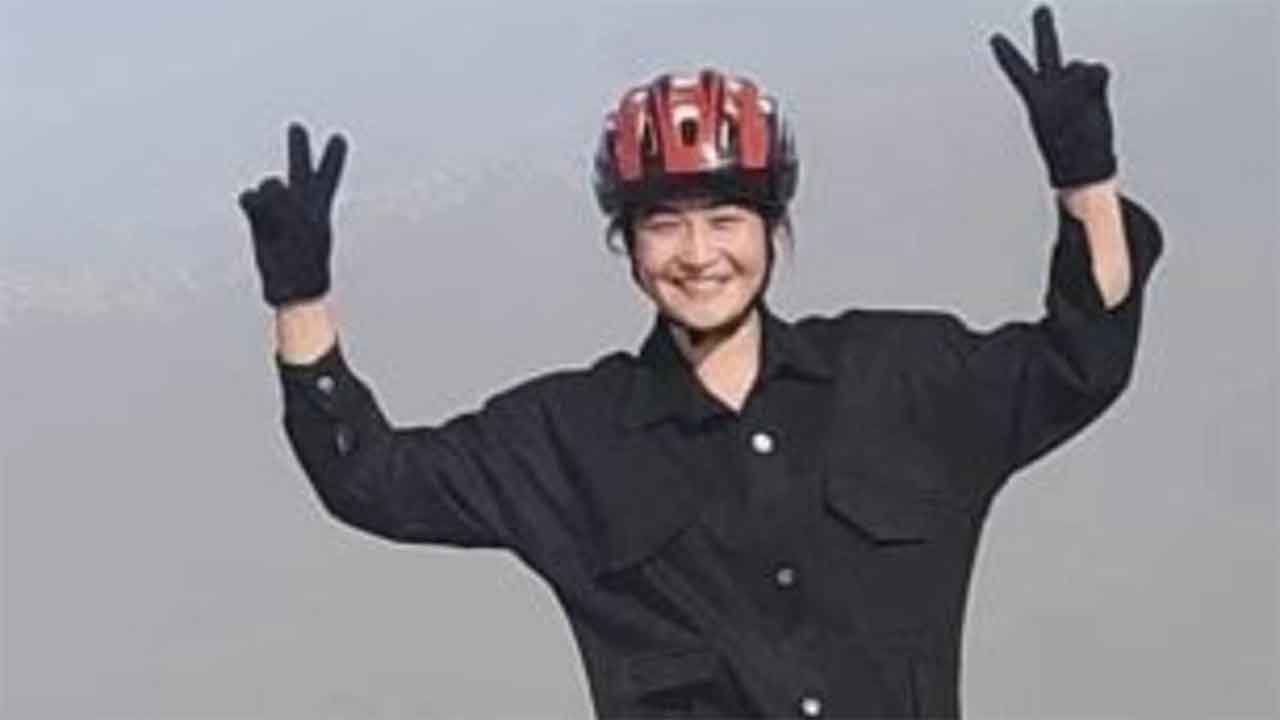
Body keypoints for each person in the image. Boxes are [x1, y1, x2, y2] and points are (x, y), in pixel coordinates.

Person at [237, 5, 1163, 718]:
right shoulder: (568, 437)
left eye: (725, 219)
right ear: (627, 245)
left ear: (773, 230)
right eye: (663, 225)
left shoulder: (899, 378)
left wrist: (1085, 180)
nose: (697, 254)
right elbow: (371, 481)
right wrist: (300, 299)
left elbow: (1084, 358)